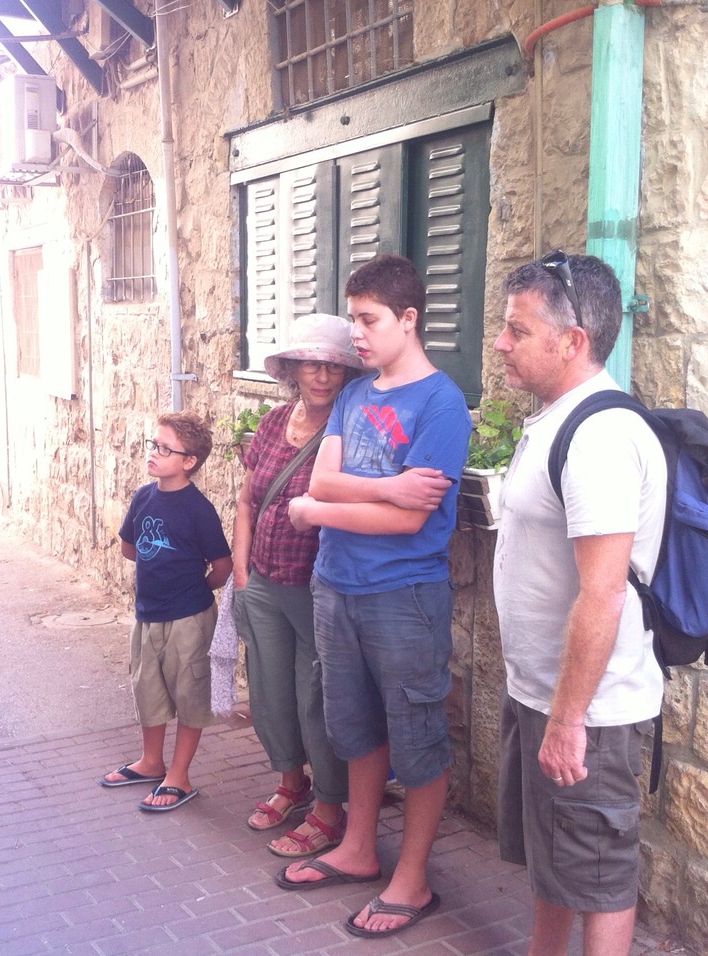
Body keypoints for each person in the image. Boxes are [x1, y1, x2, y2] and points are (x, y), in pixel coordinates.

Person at [277, 254, 470, 941]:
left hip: (403, 595)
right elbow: (323, 480)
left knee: (417, 738)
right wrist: (386, 487)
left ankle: (411, 880)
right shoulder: (356, 394)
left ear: (408, 319)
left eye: (368, 320)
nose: (354, 334)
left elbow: (409, 521)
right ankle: (359, 849)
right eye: (353, 318)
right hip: (337, 586)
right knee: (355, 727)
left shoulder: (441, 403)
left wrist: (318, 511)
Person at [491, 251, 666, 956]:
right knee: (556, 855)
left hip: (586, 709)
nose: (500, 342)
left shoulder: (600, 437)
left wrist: (568, 721)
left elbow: (604, 591)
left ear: (572, 341)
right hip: (544, 691)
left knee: (597, 871)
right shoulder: (558, 419)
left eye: (518, 330)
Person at [231, 314, 365, 856]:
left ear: (348, 373)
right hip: (263, 580)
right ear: (291, 369)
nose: (322, 376)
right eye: (311, 364)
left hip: (316, 588)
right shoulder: (272, 422)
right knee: (269, 690)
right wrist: (242, 573)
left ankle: (330, 806)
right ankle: (291, 783)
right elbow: (246, 501)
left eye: (334, 366)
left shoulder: (350, 431)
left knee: (317, 697)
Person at [101, 411, 233, 811]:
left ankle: (179, 775)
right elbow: (129, 546)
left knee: (190, 693)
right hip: (147, 614)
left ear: (189, 461)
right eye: (153, 444)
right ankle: (151, 761)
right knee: (148, 689)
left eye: (165, 449)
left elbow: (222, 565)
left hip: (188, 619)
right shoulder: (143, 497)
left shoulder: (198, 509)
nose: (154, 453)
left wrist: (195, 589)